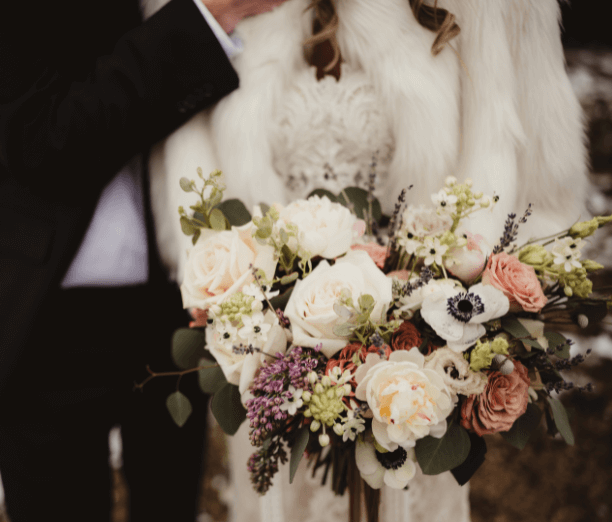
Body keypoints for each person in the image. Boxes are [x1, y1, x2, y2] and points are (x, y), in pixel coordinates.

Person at [148, 0, 588, 520]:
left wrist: (456, 332)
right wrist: (244, 317)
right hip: (271, 368)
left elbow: (538, 174)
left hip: (424, 374)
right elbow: (186, 152)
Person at [0, 0, 290, 520]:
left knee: (172, 506)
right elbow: (46, 138)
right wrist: (203, 18)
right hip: (39, 318)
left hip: (171, 304)